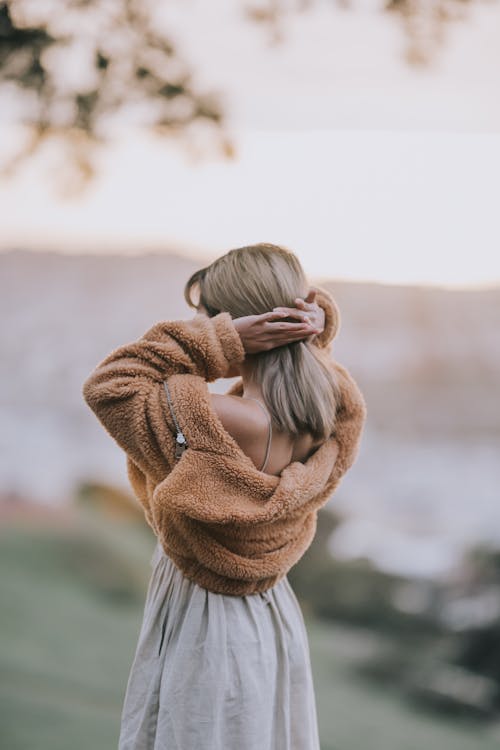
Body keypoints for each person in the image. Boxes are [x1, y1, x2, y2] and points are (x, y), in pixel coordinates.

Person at [82, 242, 367, 750]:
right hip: (268, 613)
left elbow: (111, 384)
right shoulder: (329, 409)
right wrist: (311, 324)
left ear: (237, 327)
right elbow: (319, 364)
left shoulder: (225, 418)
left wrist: (218, 341)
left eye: (204, 319)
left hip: (205, 620)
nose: (196, 327)